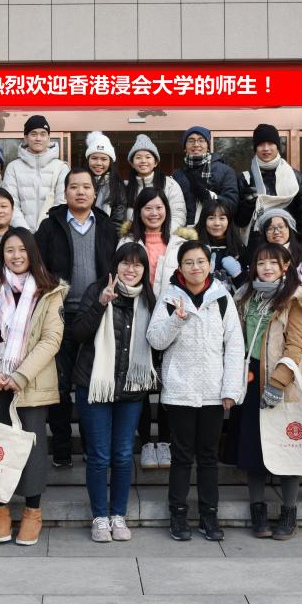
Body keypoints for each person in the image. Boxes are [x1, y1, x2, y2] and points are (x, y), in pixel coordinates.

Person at [0, 227, 67, 546]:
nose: (16, 255)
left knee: (32, 449)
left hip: (30, 383)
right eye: (10, 250)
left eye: (22, 249)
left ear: (32, 253)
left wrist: (20, 376)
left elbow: (52, 338)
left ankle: (33, 512)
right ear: (2, 254)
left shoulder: (50, 289)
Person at [224, 243, 302, 541]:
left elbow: (296, 346)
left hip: (284, 381)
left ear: (285, 266)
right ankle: (258, 511)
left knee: (287, 450)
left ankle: (289, 513)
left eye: (273, 262)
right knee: (253, 449)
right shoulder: (245, 296)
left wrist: (278, 383)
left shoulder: (298, 299)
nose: (267, 267)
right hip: (251, 380)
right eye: (261, 263)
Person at [147, 240, 245, 542]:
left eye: (201, 261)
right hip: (180, 391)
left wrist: (231, 388)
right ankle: (177, 515)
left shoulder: (222, 297)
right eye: (188, 262)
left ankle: (208, 515)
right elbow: (155, 339)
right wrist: (176, 321)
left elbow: (235, 345)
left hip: (214, 392)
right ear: (180, 267)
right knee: (181, 457)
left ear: (209, 264)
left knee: (208, 457)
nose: (195, 267)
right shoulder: (169, 297)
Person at [69, 243, 159, 543]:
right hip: (95, 387)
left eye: (137, 264)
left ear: (144, 270)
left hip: (130, 390)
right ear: (115, 265)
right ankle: (99, 516)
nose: (130, 269)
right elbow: (78, 333)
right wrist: (100, 304)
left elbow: (157, 342)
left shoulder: (148, 299)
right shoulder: (98, 290)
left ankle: (118, 514)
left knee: (122, 455)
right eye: (125, 263)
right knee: (98, 456)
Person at [36, 168, 119, 468]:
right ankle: (61, 449)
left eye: (86, 187)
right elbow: (38, 266)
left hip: (95, 314)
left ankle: (89, 445)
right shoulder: (50, 226)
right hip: (58, 315)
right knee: (59, 385)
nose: (80, 192)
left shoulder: (107, 226)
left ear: (95, 193)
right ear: (65, 192)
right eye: (74, 187)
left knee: (90, 384)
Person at [118, 187, 196, 469]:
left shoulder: (178, 243)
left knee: (167, 381)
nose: (154, 213)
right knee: (140, 380)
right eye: (147, 208)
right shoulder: (127, 242)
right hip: (136, 316)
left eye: (159, 207)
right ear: (139, 212)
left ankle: (164, 441)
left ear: (167, 210)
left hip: (169, 318)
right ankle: (145, 441)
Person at [235, 124, 302, 244]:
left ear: (277, 146)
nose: (266, 148)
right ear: (255, 148)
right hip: (256, 246)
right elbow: (239, 222)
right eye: (261, 144)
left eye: (270, 143)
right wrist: (248, 205)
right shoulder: (245, 179)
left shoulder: (295, 177)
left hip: (288, 245)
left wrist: (301, 247)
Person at [3, 115, 70, 230]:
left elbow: (62, 203)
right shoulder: (13, 168)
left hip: (52, 233)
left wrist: (46, 231)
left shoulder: (61, 168)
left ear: (48, 138)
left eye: (43, 134)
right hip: (21, 235)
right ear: (26, 138)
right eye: (33, 134)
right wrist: (25, 233)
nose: (38, 138)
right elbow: (10, 204)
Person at [173, 125, 239, 226]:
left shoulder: (226, 171)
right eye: (191, 140)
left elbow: (232, 205)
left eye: (201, 140)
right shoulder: (178, 175)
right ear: (184, 148)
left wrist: (209, 196)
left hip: (216, 229)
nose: (196, 144)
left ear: (208, 146)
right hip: (186, 231)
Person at [254, 209, 302, 294]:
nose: (276, 232)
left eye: (281, 227)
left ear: (289, 229)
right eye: (270, 228)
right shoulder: (258, 258)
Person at [124, 134, 187, 231]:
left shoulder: (169, 184)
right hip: (134, 237)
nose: (143, 161)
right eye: (138, 157)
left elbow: (178, 214)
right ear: (132, 163)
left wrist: (161, 234)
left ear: (155, 162)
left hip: (165, 236)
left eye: (148, 157)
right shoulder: (125, 187)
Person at [196, 198, 248, 293]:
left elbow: (247, 288)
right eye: (211, 218)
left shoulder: (238, 247)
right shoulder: (194, 246)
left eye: (222, 218)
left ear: (229, 221)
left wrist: (238, 274)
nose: (217, 223)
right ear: (204, 220)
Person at [84, 130, 127, 223]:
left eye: (104, 159)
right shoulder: (80, 182)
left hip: (107, 231)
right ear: (88, 160)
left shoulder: (117, 186)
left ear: (110, 162)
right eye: (94, 158)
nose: (99, 163)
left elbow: (118, 222)